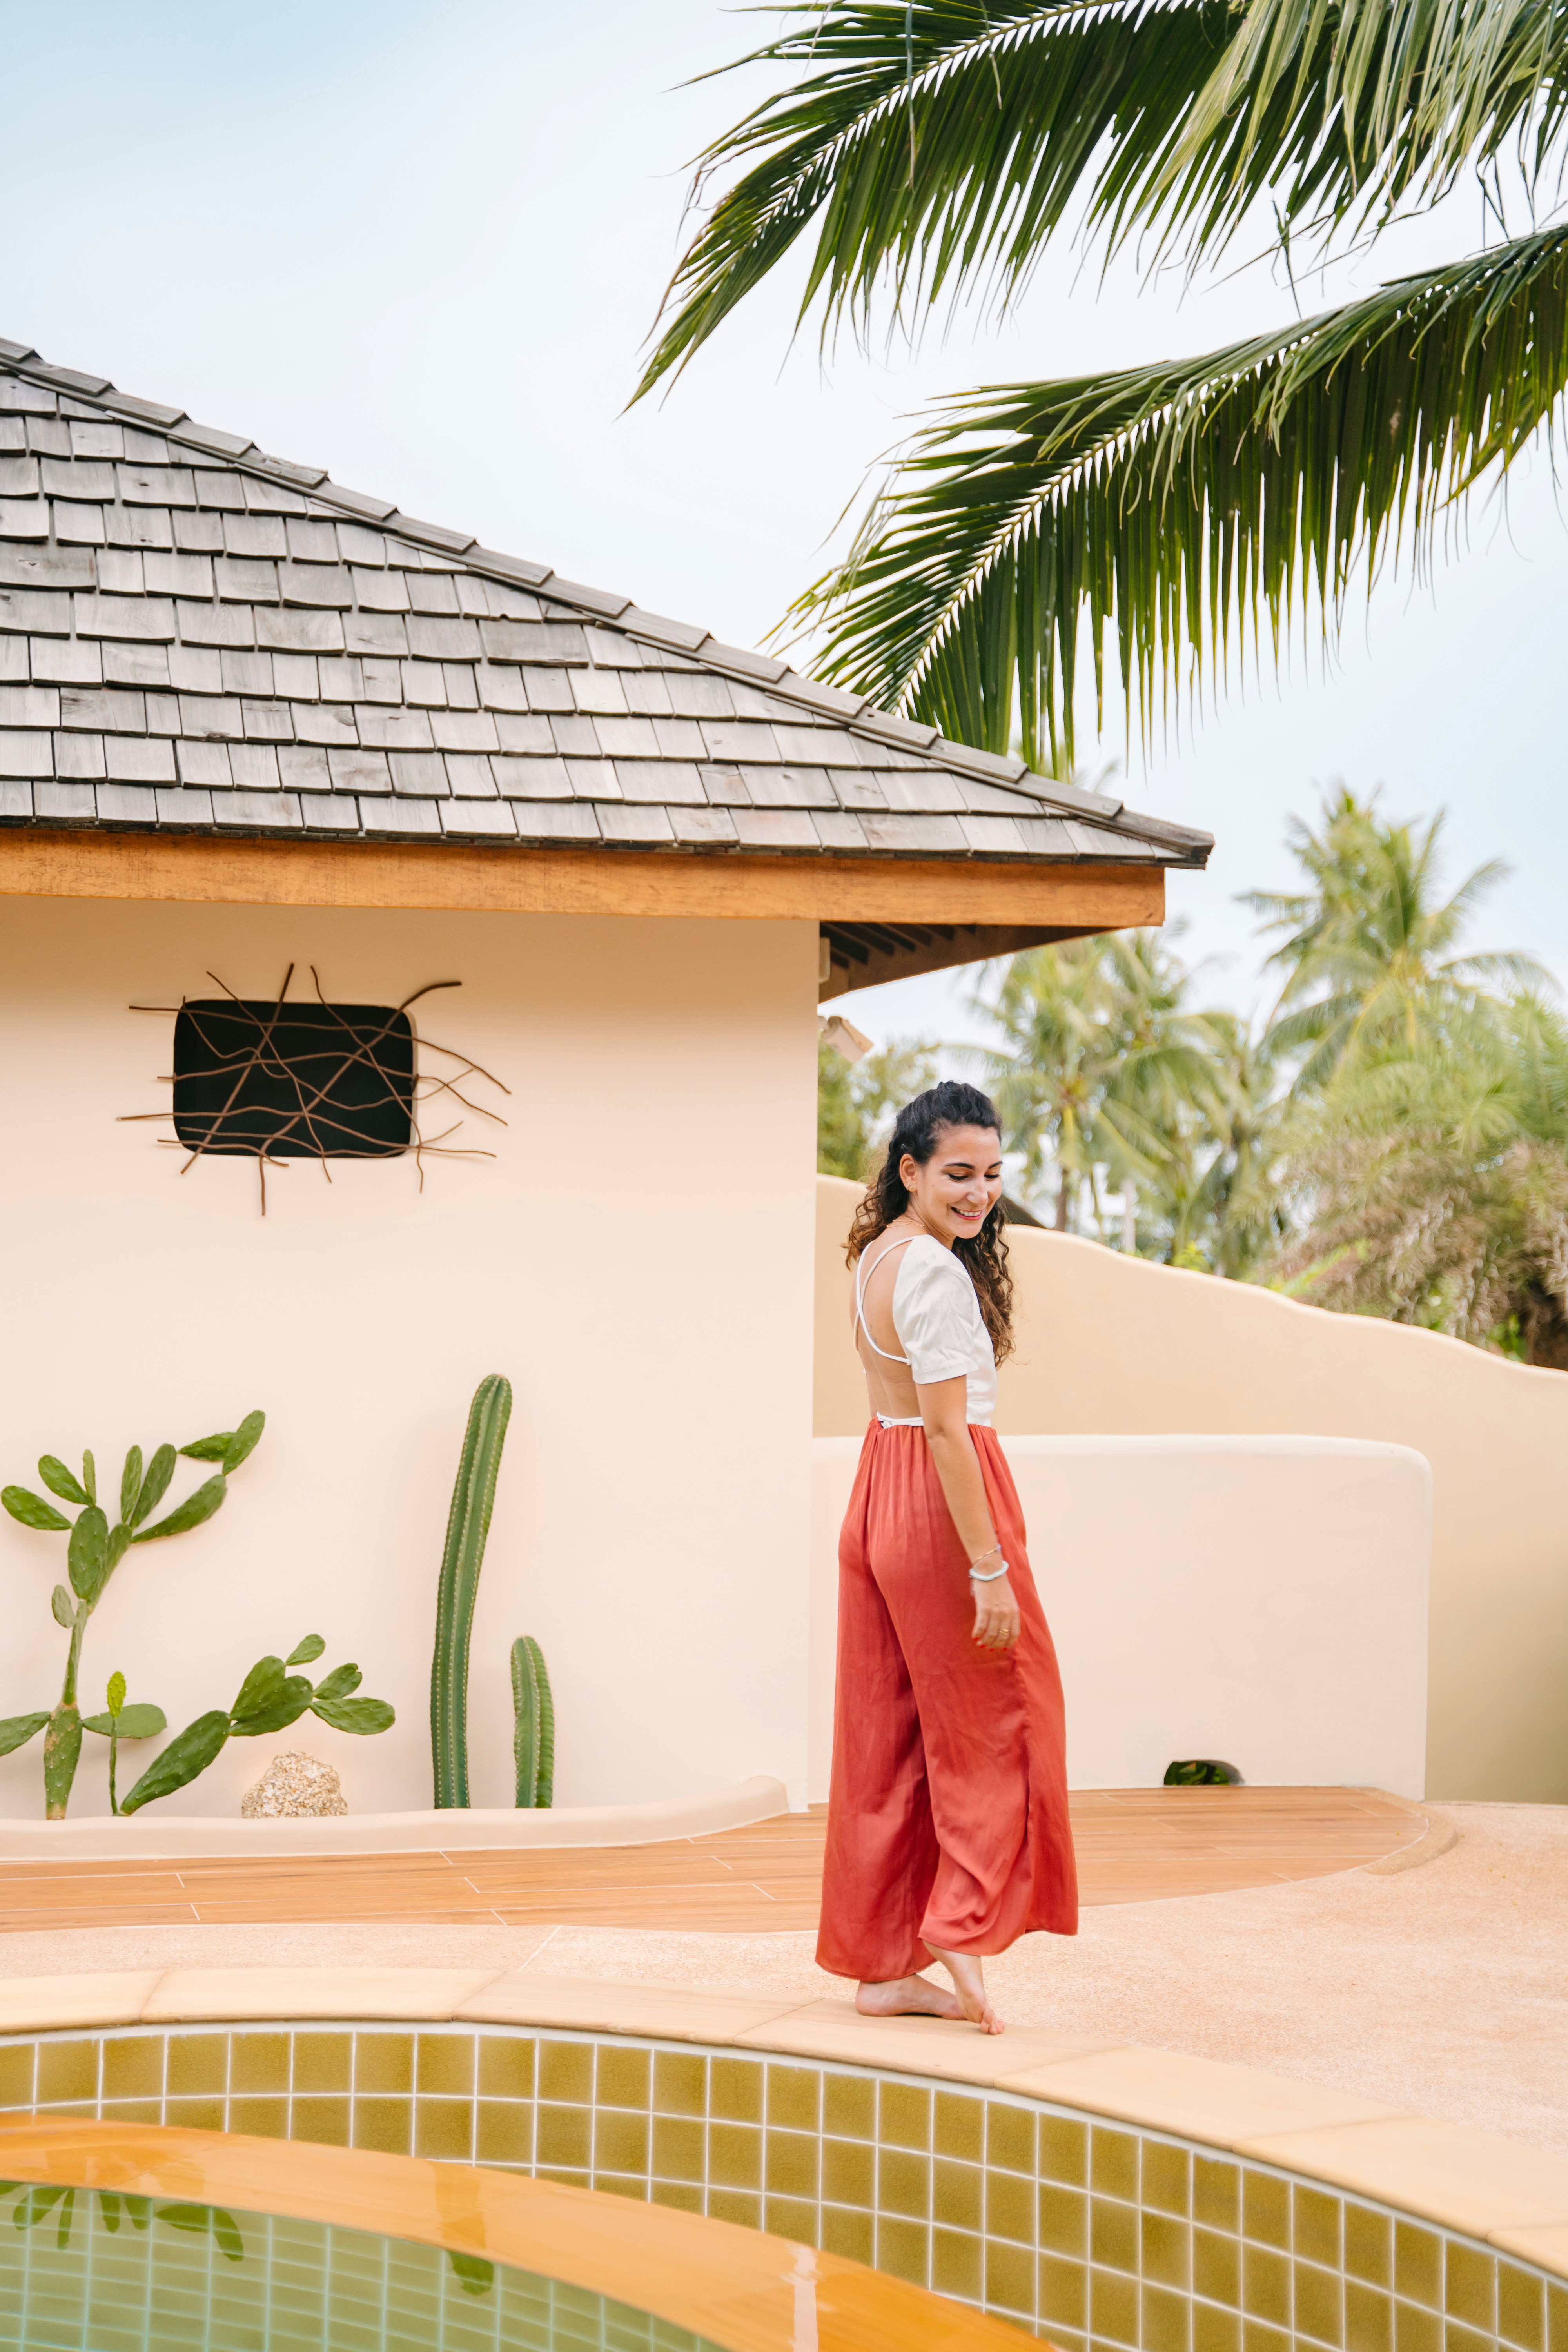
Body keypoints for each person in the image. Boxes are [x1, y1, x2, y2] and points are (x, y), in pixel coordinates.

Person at [817, 1081, 1077, 2033]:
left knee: (888, 1741)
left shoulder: (877, 1256)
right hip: (936, 1499)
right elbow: (944, 1431)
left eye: (992, 1176)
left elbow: (906, 1419)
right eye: (957, 1174)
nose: (978, 1194)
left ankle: (884, 1967)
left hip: (878, 1487)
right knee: (1002, 1718)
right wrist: (985, 1564)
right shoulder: (928, 1271)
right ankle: (962, 1925)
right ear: (910, 1172)